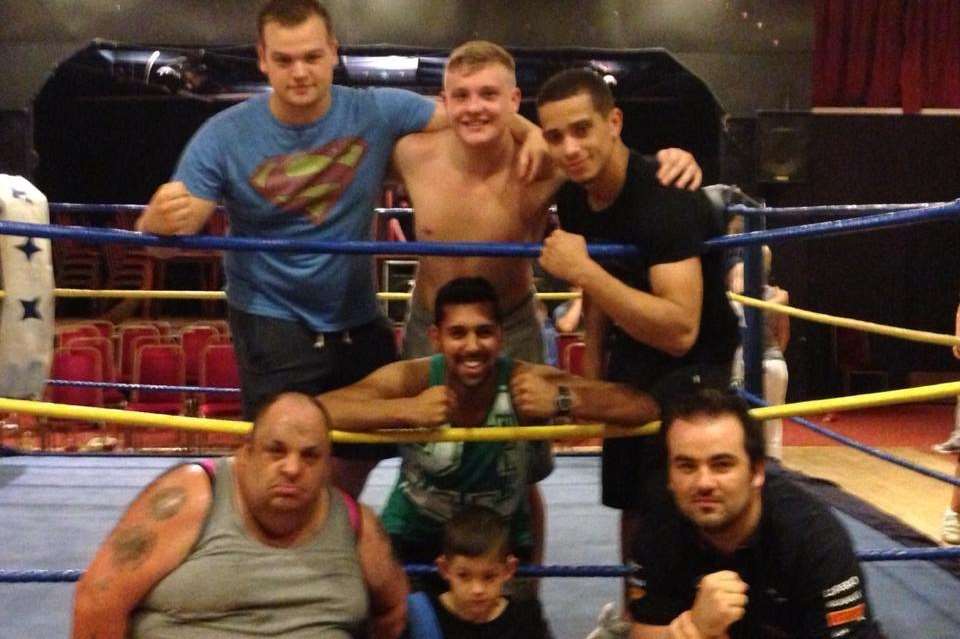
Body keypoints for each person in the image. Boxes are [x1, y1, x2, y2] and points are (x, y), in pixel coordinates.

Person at [133, 2, 545, 498]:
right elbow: (176, 232)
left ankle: (332, 547)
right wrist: (155, 226)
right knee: (282, 453)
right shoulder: (223, 134)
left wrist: (533, 132)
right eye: (284, 60)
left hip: (356, 317)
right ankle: (281, 560)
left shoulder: (374, 110)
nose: (300, 72)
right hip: (274, 319)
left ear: (333, 52)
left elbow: (473, 110)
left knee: (364, 454)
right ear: (262, 59)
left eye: (311, 56)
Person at [390, 40, 702, 564]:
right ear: (442, 100)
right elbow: (338, 168)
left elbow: (619, 160)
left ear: (514, 99)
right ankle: (440, 589)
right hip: (431, 324)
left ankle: (528, 597)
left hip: (511, 323)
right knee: (427, 462)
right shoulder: (410, 154)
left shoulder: (547, 161)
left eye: (489, 94)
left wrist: (677, 159)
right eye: (460, 95)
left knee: (521, 474)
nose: (474, 107)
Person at [319, 277, 658, 596]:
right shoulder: (415, 378)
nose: (471, 346)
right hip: (415, 539)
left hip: (497, 548)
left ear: (501, 336)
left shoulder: (522, 380)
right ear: (436, 337)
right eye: (458, 333)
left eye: (483, 332)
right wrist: (405, 411)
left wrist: (562, 399)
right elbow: (320, 409)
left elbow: (644, 406)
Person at [534, 68, 740, 569]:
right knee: (629, 505)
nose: (570, 148)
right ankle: (636, 616)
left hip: (693, 371)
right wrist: (592, 377)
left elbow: (679, 329)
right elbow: (602, 291)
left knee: (682, 513)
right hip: (632, 360)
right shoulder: (576, 196)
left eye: (582, 129)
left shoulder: (664, 196)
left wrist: (584, 270)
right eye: (555, 136)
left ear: (615, 122)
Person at [71, 392, 408, 639]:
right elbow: (97, 605)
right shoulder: (189, 497)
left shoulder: (355, 525)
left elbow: (394, 611)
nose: (292, 468)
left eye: (310, 456)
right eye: (275, 451)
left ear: (326, 465)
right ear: (245, 453)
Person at [624, 389, 881, 638]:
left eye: (721, 465)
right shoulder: (658, 524)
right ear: (669, 475)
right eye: (686, 466)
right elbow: (643, 628)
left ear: (757, 472)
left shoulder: (813, 539)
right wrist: (691, 629)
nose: (703, 482)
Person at [410, 505, 551, 638]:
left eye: (489, 577)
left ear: (508, 569)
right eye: (463, 576)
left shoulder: (526, 617)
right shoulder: (421, 616)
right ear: (445, 569)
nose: (477, 589)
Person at [728, 246, 790, 459]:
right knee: (772, 427)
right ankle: (770, 475)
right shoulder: (778, 295)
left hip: (749, 362)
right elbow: (784, 336)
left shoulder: (734, 298)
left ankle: (753, 476)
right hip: (774, 362)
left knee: (745, 424)